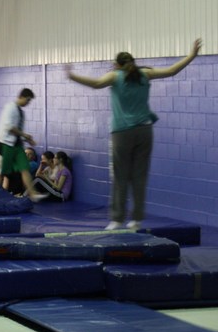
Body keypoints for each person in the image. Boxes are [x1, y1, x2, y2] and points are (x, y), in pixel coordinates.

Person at [68, 39, 202, 230]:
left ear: (117, 64)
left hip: (122, 132)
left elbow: (96, 84)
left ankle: (117, 219)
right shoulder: (145, 74)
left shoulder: (115, 76)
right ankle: (136, 219)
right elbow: (172, 70)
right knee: (139, 176)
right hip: (145, 131)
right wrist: (192, 55)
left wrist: (73, 76)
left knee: (120, 176)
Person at [0, 88, 46, 202]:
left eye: (29, 101)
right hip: (5, 144)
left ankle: (32, 193)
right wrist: (24, 135)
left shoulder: (21, 112)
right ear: (21, 97)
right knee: (3, 171)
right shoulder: (10, 108)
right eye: (27, 100)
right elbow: (9, 127)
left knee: (24, 168)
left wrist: (26, 139)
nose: (28, 103)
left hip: (16, 144)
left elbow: (18, 131)